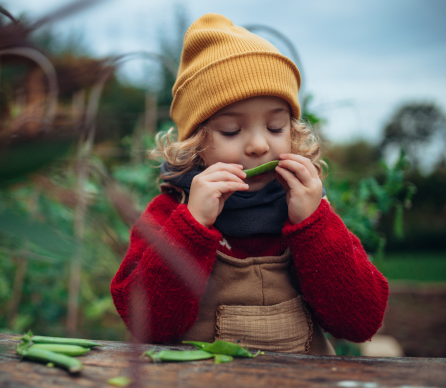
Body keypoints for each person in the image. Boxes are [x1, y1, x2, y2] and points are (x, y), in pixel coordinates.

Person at [110, 13, 389, 355]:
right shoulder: (170, 213)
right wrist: (191, 226)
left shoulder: (308, 210)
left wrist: (313, 224)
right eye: (231, 130)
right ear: (195, 142)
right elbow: (150, 326)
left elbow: (361, 323)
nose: (259, 145)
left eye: (275, 127)